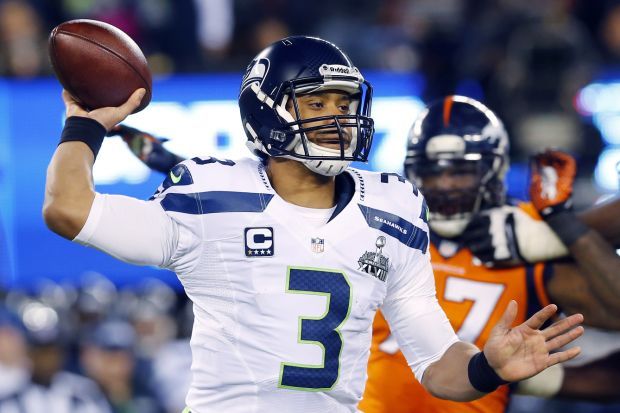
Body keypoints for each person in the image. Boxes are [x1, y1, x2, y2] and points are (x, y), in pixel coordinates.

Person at [43, 37, 584, 412]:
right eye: (315, 102)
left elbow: (439, 364)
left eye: (343, 102)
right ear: (266, 111)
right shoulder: (210, 196)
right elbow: (70, 210)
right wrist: (85, 124)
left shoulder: (393, 207)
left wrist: (488, 368)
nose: (336, 118)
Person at [359, 95, 620, 413]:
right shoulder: (381, 228)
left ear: (494, 169)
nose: (445, 185)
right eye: (432, 172)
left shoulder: (524, 237)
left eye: (460, 171)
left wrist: (559, 230)